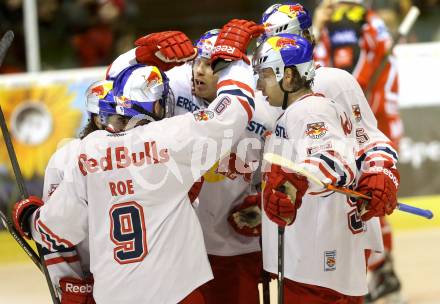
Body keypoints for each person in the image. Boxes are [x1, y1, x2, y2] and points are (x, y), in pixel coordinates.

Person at [11, 26, 261, 303]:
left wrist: (29, 218)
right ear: (157, 106)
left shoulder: (87, 152)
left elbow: (53, 232)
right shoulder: (170, 138)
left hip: (116, 296)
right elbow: (234, 109)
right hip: (178, 292)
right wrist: (233, 63)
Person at [108, 24, 282, 303]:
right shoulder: (176, 86)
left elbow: (280, 177)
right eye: (197, 61)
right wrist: (138, 57)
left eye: (211, 65)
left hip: (235, 247)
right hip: (179, 248)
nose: (199, 70)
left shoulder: (264, 111)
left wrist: (262, 204)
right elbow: (114, 90)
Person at [260, 3, 402, 302]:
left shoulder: (334, 81)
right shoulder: (261, 86)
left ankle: (384, 272)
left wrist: (380, 172)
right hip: (286, 232)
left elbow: (370, 141)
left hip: (332, 230)